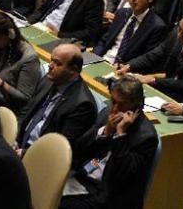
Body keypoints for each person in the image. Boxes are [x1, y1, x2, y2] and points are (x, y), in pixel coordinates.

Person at [60, 75, 159, 209]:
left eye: (121, 104)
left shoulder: (146, 136)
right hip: (84, 178)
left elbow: (124, 174)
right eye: (113, 101)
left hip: (109, 195)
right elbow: (79, 148)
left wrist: (120, 134)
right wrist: (105, 131)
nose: (115, 108)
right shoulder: (108, 112)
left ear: (137, 106)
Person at [18, 42, 97, 152]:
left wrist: (25, 153)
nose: (50, 65)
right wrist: (15, 140)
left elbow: (61, 147)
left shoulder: (83, 105)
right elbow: (26, 110)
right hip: (20, 144)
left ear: (73, 70)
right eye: (51, 60)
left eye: (57, 63)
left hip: (40, 156)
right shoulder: (49, 79)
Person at [117, 13, 183, 103]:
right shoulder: (175, 35)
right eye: (179, 28)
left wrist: (153, 80)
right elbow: (154, 55)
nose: (179, 35)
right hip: (164, 91)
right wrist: (129, 66)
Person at [95, 0, 167, 64]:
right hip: (102, 60)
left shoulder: (157, 26)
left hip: (124, 70)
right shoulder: (121, 13)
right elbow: (104, 41)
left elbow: (146, 59)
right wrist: (94, 58)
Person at [0, 12, 41, 114]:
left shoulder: (29, 58)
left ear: (10, 34)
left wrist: (2, 84)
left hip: (6, 109)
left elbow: (25, 97)